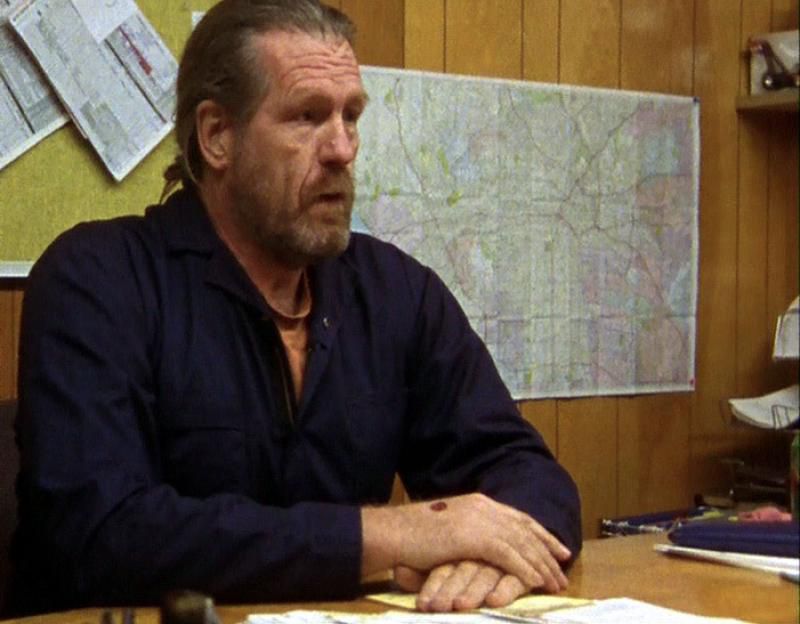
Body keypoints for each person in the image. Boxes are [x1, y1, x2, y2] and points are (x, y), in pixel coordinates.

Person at [8, 0, 581, 616]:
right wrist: (394, 535)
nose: (342, 149)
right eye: (307, 117)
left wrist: (489, 555)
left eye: (351, 116)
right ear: (217, 135)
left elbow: (532, 478)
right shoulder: (99, 280)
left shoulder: (395, 292)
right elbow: (102, 535)